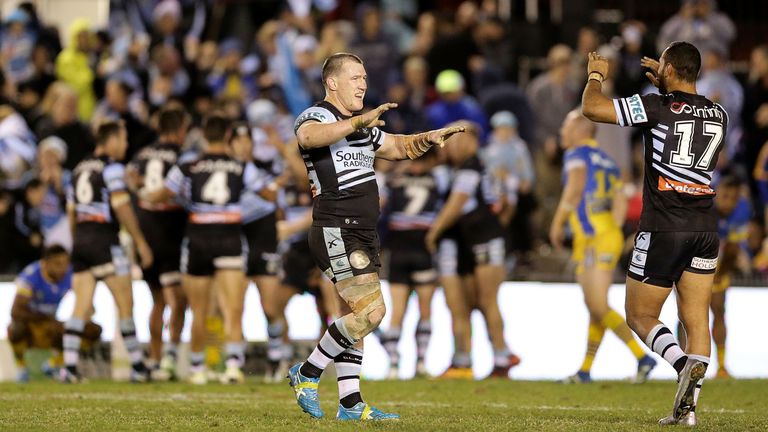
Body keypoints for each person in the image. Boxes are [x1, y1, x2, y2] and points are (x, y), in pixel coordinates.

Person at [288, 52, 464, 421]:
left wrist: (430, 138)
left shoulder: (362, 126)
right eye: (355, 77)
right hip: (336, 227)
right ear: (332, 83)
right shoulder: (317, 115)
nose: (363, 83)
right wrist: (358, 123)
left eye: (365, 77)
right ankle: (307, 372)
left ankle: (350, 404)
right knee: (372, 312)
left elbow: (398, 147)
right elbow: (308, 138)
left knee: (354, 317)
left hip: (362, 231)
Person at [582, 42, 728, 425]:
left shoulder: (654, 105)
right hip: (705, 228)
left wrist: (596, 76)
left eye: (661, 64)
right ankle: (688, 412)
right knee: (696, 319)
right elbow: (683, 117)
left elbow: (593, 109)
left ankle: (681, 364)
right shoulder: (720, 113)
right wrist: (667, 82)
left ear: (671, 69)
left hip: (664, 226)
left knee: (640, 314)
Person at [144, 113, 269, 385]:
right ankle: (234, 366)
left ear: (203, 136)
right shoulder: (240, 166)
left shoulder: (189, 166)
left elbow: (160, 194)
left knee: (197, 309)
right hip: (229, 236)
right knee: (233, 307)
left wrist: (144, 194)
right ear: (227, 136)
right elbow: (268, 193)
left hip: (198, 236)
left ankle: (197, 368)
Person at [549, 110, 657, 384]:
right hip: (605, 233)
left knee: (597, 304)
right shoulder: (607, 160)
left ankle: (642, 357)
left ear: (581, 130)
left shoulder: (576, 155)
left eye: (566, 124)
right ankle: (585, 370)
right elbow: (621, 201)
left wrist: (557, 223)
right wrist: (614, 229)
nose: (562, 131)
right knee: (595, 306)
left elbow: (574, 190)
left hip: (594, 237)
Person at [425, 121, 519, 379]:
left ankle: (502, 356)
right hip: (476, 241)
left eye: (453, 139)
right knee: (476, 302)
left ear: (469, 140)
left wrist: (433, 233)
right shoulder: (478, 165)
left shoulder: (471, 166)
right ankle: (480, 357)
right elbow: (507, 201)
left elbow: (457, 203)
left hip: (486, 241)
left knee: (487, 300)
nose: (449, 145)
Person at [62, 120, 154, 383]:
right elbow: (121, 205)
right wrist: (141, 243)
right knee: (126, 304)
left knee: (80, 308)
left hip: (81, 238)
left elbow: (72, 212)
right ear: (111, 140)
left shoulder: (78, 169)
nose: (125, 145)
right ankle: (137, 367)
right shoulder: (112, 169)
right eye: (123, 139)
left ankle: (69, 368)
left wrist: (77, 242)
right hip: (103, 239)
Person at [127, 107, 189, 380]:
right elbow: (180, 191)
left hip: (145, 229)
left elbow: (130, 179)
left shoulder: (142, 155)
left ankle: (153, 358)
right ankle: (169, 359)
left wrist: (141, 190)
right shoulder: (181, 157)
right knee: (177, 299)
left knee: (158, 301)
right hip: (171, 228)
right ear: (179, 130)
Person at [677, 176, 751, 379]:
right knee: (686, 316)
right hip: (690, 259)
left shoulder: (742, 210)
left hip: (718, 261)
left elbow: (734, 249)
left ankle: (722, 366)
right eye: (726, 196)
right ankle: (681, 364)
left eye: (734, 198)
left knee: (719, 309)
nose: (730, 203)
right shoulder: (701, 206)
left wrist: (719, 275)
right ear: (717, 192)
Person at [228, 123, 286, 381]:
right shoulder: (225, 172)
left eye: (246, 140)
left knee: (270, 306)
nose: (242, 145)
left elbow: (278, 205)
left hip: (263, 238)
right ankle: (234, 362)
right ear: (229, 145)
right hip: (235, 237)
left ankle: (277, 356)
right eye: (237, 141)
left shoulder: (265, 170)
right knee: (234, 304)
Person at [380, 148, 441, 379]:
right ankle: (413, 363)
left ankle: (403, 363)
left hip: (406, 247)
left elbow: (381, 206)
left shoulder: (394, 179)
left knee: (409, 309)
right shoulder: (437, 178)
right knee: (412, 309)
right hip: (416, 247)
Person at [8, 245, 101, 382]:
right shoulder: (30, 276)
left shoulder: (71, 274)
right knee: (15, 329)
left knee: (92, 330)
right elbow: (16, 311)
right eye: (58, 264)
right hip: (32, 328)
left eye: (66, 263)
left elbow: (89, 306)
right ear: (45, 263)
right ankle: (22, 368)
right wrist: (46, 318)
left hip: (52, 327)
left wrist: (86, 309)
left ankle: (53, 364)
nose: (63, 268)